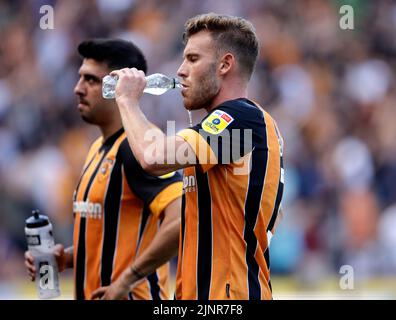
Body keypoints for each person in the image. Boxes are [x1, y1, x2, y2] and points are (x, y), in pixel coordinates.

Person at [94, 13, 284, 300]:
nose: (181, 70)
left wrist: (127, 100)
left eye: (193, 59)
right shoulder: (240, 129)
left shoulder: (240, 118)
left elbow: (152, 158)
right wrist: (127, 280)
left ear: (225, 64)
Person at [24, 39, 183, 300]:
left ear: (118, 87)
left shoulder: (138, 148)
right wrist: (67, 257)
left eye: (91, 80)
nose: (77, 89)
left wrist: (128, 279)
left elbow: (180, 220)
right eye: (80, 78)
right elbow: (114, 238)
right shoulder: (98, 147)